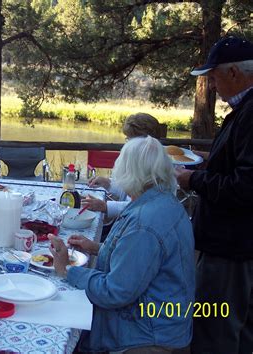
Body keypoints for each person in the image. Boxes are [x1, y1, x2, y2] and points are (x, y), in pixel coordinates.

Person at [49, 136, 195, 353]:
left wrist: (68, 270)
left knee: (56, 321)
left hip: (147, 336)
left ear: (127, 171)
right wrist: (96, 247)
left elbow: (114, 292)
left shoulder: (144, 223)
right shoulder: (163, 201)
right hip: (167, 325)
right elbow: (142, 258)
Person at [176, 36, 253, 353]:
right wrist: (209, 163)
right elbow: (237, 166)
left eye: (213, 76)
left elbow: (246, 187)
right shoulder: (244, 109)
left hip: (230, 248)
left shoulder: (250, 114)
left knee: (214, 331)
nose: (211, 84)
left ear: (234, 73)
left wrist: (193, 179)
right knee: (242, 330)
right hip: (237, 244)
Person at [84, 113, 162, 227]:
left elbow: (143, 208)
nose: (128, 143)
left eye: (130, 139)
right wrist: (108, 183)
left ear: (146, 141)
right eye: (127, 139)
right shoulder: (140, 160)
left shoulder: (156, 167)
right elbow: (128, 193)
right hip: (124, 223)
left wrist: (105, 207)